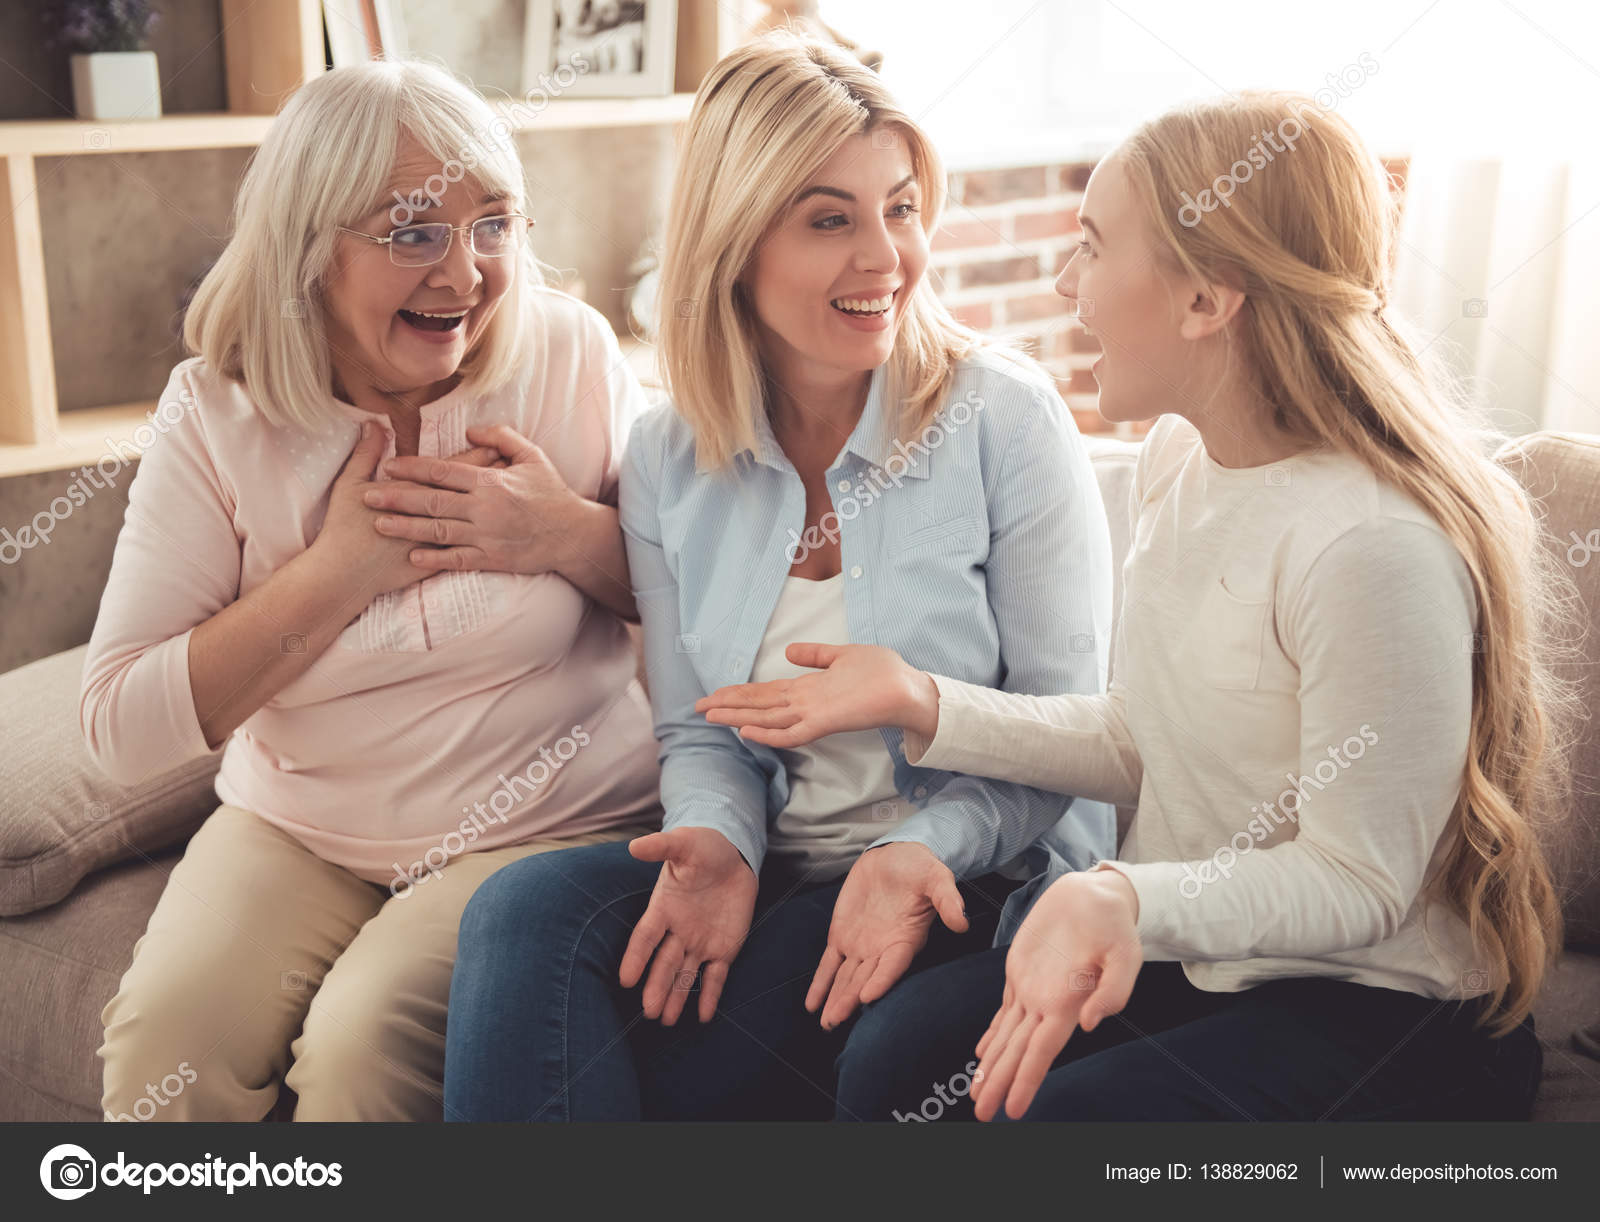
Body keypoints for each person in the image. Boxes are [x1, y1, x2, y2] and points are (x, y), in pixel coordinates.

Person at [697, 91, 1576, 1123]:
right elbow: (1142, 734)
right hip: (1213, 958)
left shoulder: (1369, 543)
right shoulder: (1181, 460)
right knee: (896, 1063)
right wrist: (921, 699)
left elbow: (1360, 879)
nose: (1068, 284)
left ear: (1206, 300)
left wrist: (1121, 894)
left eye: (1090, 246)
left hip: (1384, 1011)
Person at [443, 32, 1116, 1121]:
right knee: (524, 913)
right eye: (828, 219)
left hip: (976, 865)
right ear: (735, 243)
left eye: (900, 208)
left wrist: (912, 848)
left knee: (671, 1070)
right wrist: (715, 844)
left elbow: (1072, 733)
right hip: (785, 857)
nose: (885, 257)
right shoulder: (670, 456)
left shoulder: (1001, 417)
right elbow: (700, 729)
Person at [85, 60, 661, 1121]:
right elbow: (119, 726)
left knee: (359, 1046)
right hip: (302, 822)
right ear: (308, 250)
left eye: (494, 226)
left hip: (545, 816)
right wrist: (341, 569)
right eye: (412, 234)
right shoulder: (218, 411)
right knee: (167, 1049)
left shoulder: (568, 354)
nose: (466, 275)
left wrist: (560, 534)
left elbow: (702, 603)